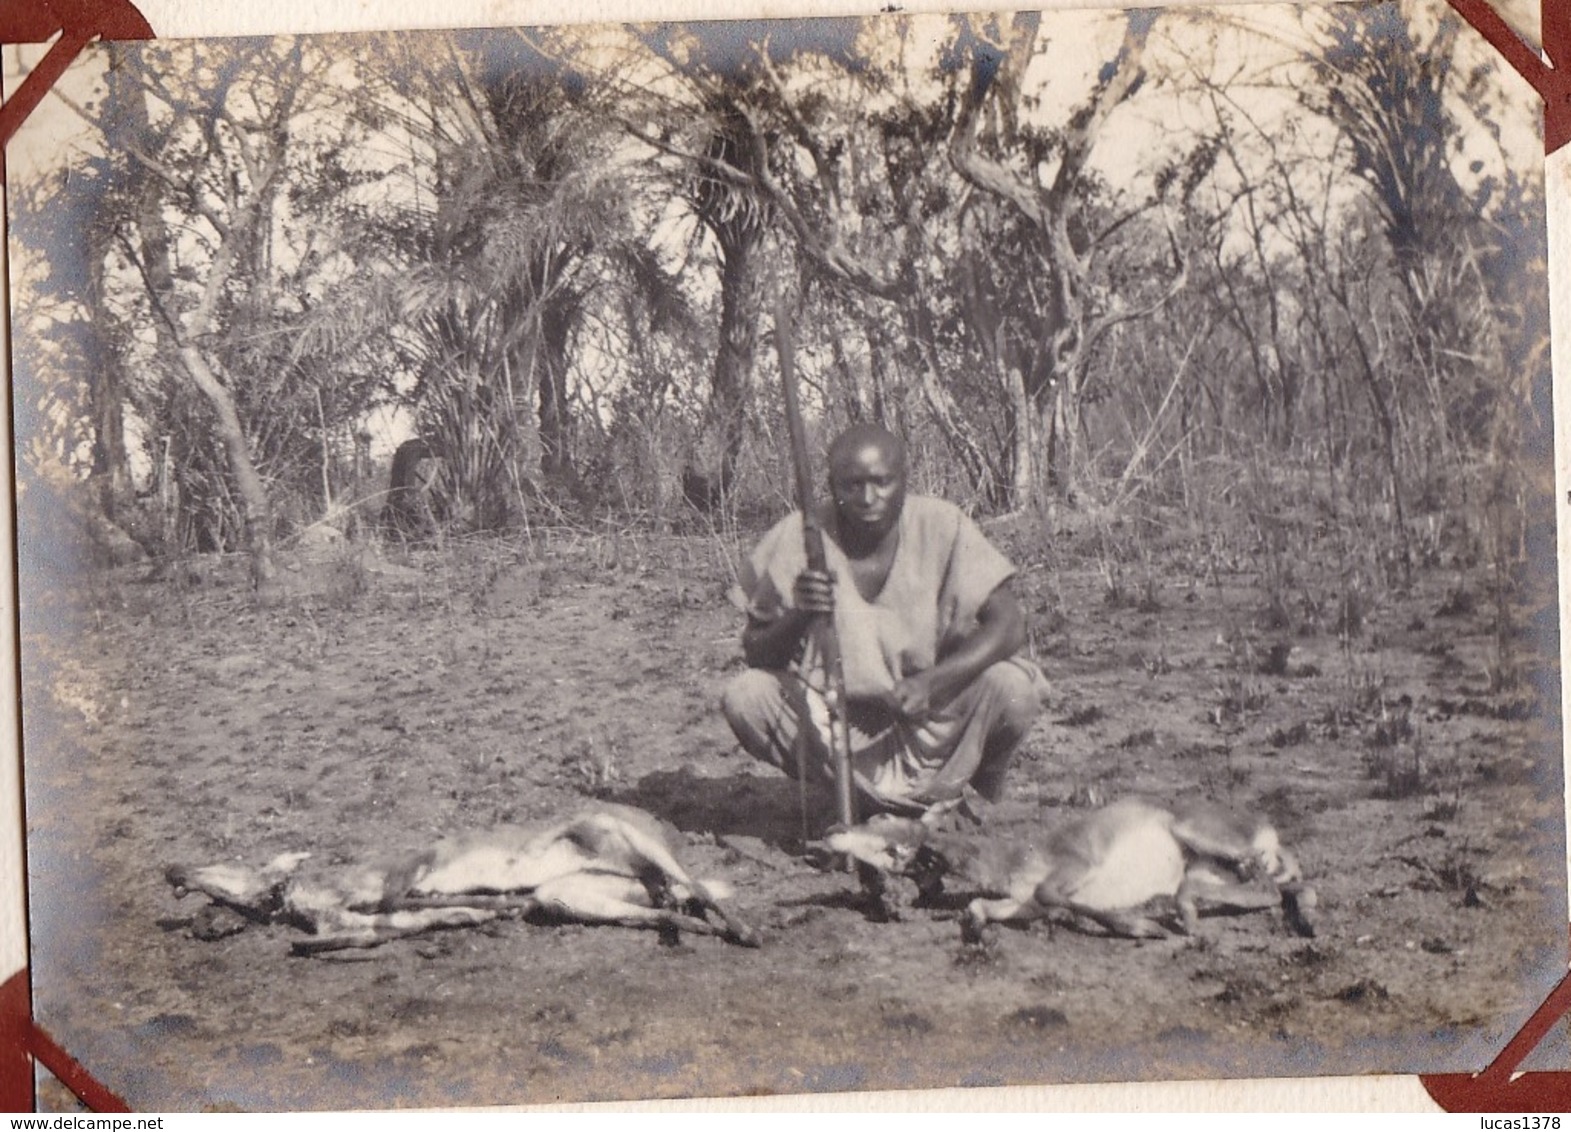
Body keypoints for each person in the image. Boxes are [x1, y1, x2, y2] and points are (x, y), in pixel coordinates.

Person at [721, 423, 1048, 815]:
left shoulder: (942, 524)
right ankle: (861, 797)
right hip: (837, 728)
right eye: (851, 485)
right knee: (746, 695)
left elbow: (1009, 624)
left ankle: (964, 788)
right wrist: (798, 615)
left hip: (930, 716)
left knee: (1013, 688)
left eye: (882, 482)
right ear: (832, 484)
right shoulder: (798, 535)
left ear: (904, 481)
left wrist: (932, 682)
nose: (867, 498)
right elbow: (756, 654)